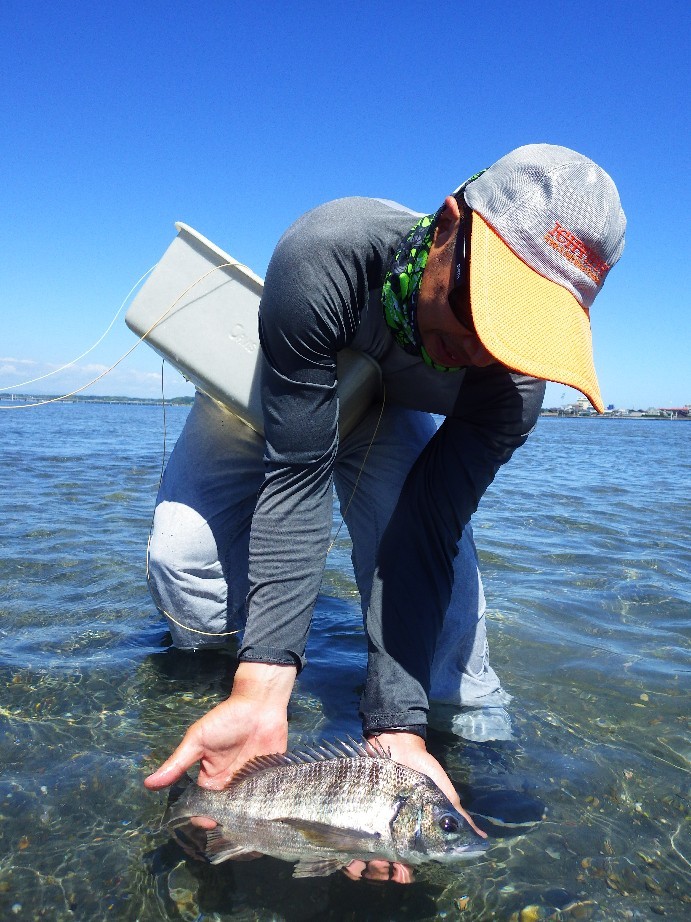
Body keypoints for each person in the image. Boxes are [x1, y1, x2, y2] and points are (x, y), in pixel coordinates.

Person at [143, 145, 626, 869]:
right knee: (183, 559)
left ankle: (458, 746)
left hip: (388, 410)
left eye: (519, 331)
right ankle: (226, 702)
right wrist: (262, 684)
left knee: (452, 623)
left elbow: (424, 528)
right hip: (287, 386)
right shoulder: (328, 253)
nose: (478, 348)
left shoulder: (511, 390)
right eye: (481, 304)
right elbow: (297, 477)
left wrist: (397, 726)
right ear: (446, 227)